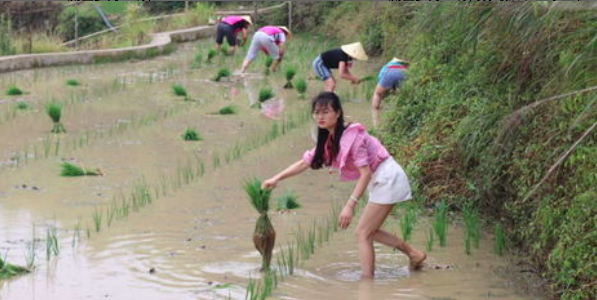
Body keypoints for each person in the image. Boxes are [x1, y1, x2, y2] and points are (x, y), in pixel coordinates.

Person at [262, 92, 427, 279]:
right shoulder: (329, 139)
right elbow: (304, 162)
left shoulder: (353, 137)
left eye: (325, 112)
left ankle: (367, 284)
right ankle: (414, 254)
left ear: (338, 113)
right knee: (367, 232)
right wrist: (276, 178)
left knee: (363, 233)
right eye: (316, 112)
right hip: (380, 179)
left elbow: (365, 173)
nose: (320, 117)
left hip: (387, 177)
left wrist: (350, 205)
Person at [371, 58, 409, 127]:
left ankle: (376, 124)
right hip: (404, 73)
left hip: (390, 72)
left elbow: (382, 91)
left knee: (377, 94)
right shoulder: (402, 67)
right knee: (403, 96)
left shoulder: (384, 70)